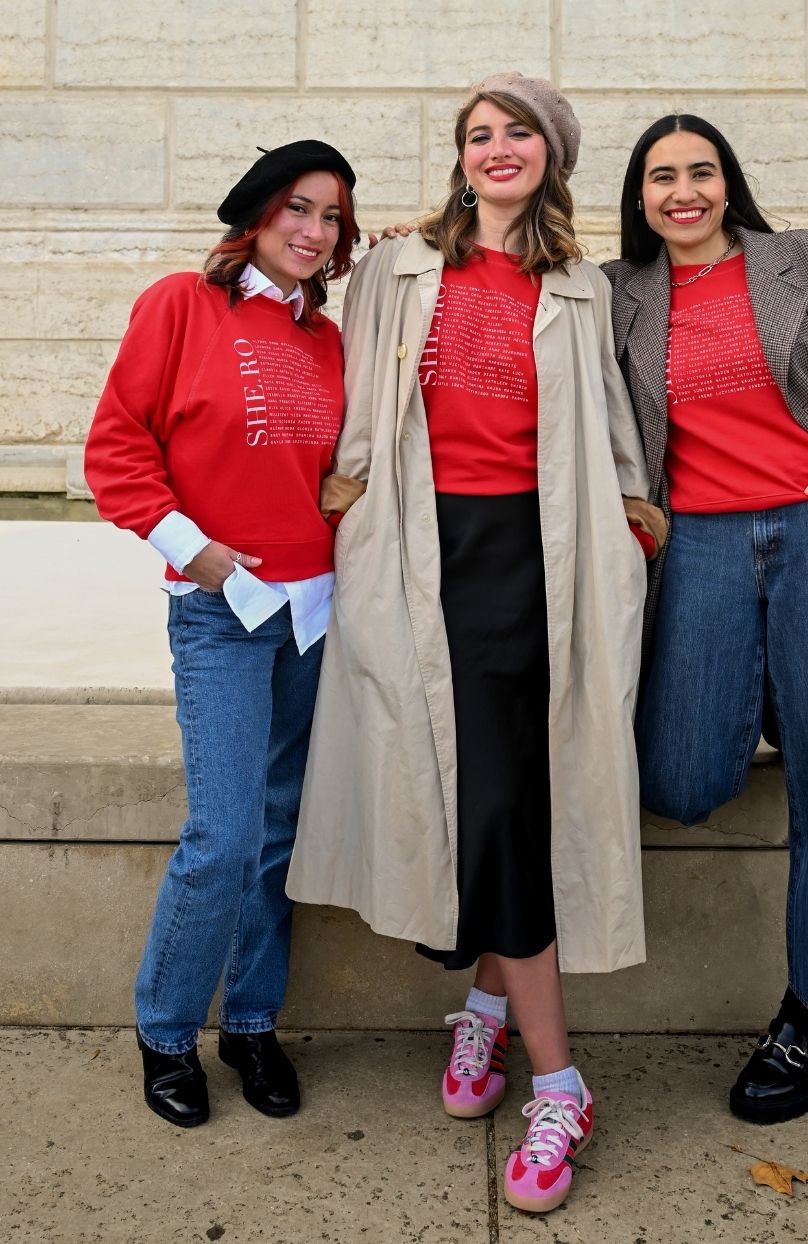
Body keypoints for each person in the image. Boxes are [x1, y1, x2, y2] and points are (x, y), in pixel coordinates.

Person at [287, 74, 665, 1212]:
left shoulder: (581, 287)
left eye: (519, 134)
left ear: (552, 157)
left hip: (538, 560)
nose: (496, 148)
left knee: (506, 798)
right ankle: (492, 1017)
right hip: (418, 553)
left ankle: (555, 1078)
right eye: (477, 134)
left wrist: (633, 525)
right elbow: (349, 404)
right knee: (477, 795)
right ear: (458, 157)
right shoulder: (396, 268)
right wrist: (340, 514)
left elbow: (608, 426)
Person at [602, 114, 808, 1125]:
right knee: (679, 770)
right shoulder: (618, 292)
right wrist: (411, 244)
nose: (682, 193)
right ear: (640, 196)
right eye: (661, 177)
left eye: (699, 172)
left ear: (725, 181)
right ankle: (766, 690)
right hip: (698, 544)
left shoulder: (803, 259)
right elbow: (501, 284)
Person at [83, 140, 358, 1128]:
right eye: (297, 207)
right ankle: (165, 1029)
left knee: (282, 830)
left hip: (315, 615)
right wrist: (193, 550)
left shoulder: (330, 340)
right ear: (254, 213)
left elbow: (339, 471)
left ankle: (249, 1022)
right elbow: (115, 449)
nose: (313, 230)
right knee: (225, 832)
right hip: (222, 613)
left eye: (331, 217)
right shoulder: (179, 305)